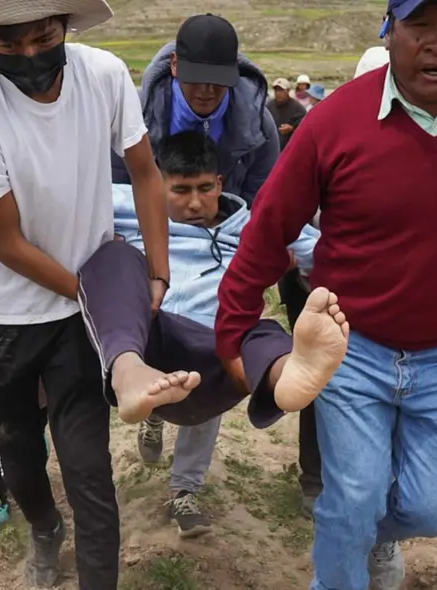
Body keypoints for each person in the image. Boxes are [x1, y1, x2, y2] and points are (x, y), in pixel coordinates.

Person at [213, 1, 437, 588]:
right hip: (349, 348)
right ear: (389, 31)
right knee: (352, 500)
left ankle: (363, 537)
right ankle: (344, 557)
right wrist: (233, 328)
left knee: (436, 511)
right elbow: (271, 225)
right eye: (420, 26)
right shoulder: (333, 120)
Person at [0, 0, 174, 585]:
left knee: (89, 470)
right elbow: (8, 243)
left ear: (65, 24)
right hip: (7, 313)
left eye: (43, 38)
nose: (30, 56)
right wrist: (99, 298)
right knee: (15, 447)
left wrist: (156, 272)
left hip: (79, 310)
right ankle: (45, 528)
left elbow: (144, 172)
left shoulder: (105, 75)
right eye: (8, 45)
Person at [114, 131, 320, 537]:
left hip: (215, 346)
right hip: (156, 337)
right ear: (158, 183)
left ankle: (185, 491)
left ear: (221, 184)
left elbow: (324, 250)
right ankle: (153, 416)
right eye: (181, 190)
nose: (194, 203)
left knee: (245, 341)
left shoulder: (253, 224)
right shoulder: (129, 207)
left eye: (205, 188)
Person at [109, 13, 280, 207]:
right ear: (174, 64)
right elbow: (118, 194)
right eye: (195, 78)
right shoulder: (133, 114)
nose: (207, 90)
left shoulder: (259, 125)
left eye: (218, 79)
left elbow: (260, 199)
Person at [266, 77, 309, 151]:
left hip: (290, 150)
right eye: (276, 90)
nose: (278, 93)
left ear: (288, 91)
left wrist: (292, 128)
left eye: (281, 90)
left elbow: (305, 128)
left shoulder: (298, 108)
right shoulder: (268, 107)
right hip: (271, 149)